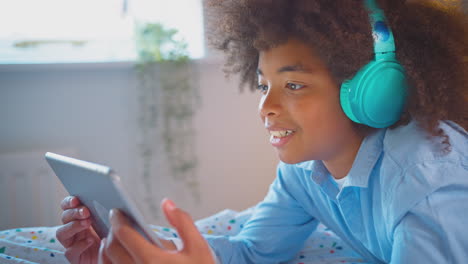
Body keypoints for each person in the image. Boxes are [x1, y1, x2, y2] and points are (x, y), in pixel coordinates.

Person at [55, 0, 468, 263]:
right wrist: (148, 252)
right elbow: (253, 252)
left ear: (372, 93)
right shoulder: (304, 172)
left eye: (293, 85)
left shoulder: (426, 186)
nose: (265, 108)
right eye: (262, 85)